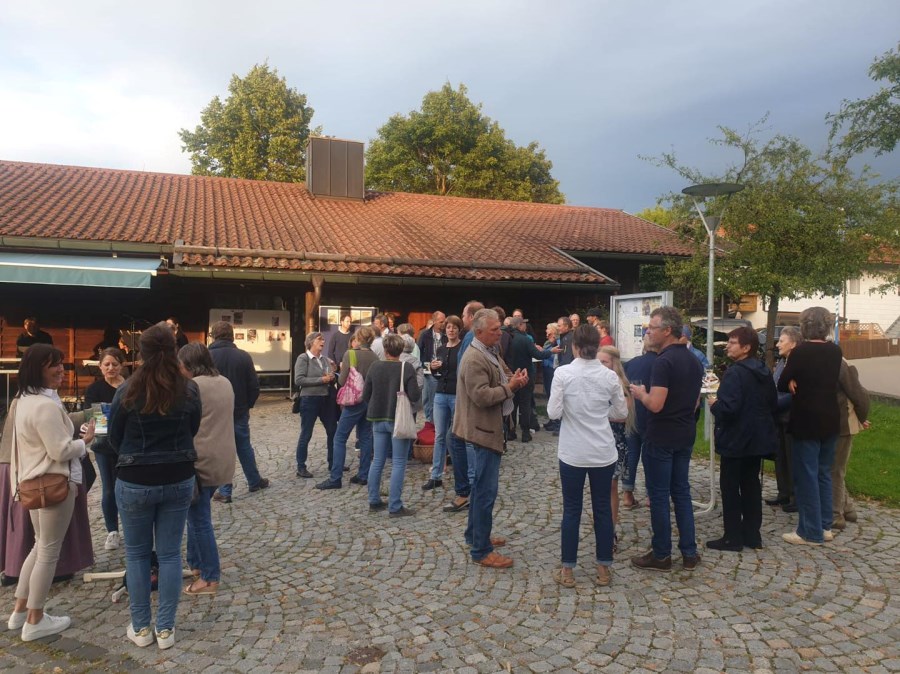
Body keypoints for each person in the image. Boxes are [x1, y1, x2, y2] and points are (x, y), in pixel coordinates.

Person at [108, 323, 200, 649]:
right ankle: (166, 629)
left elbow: (115, 437)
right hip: (177, 477)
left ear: (140, 353)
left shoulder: (127, 391)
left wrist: (134, 457)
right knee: (171, 553)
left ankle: (141, 628)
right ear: (174, 350)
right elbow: (193, 427)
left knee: (136, 555)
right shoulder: (188, 390)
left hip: (135, 479)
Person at [6, 344, 95, 641]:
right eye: (52, 365)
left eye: (60, 363)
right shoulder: (44, 405)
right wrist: (87, 443)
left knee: (39, 546)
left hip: (31, 482)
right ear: (36, 369)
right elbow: (60, 449)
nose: (60, 369)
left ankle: (20, 611)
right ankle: (36, 619)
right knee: (48, 551)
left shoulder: (23, 400)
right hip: (53, 484)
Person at [547, 325, 627, 587]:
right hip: (603, 451)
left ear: (575, 347)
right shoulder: (609, 376)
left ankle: (568, 570)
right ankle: (603, 568)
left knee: (572, 510)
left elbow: (553, 413)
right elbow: (621, 412)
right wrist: (599, 414)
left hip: (572, 452)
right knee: (603, 509)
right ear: (596, 347)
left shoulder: (563, 374)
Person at [453, 309, 529, 568]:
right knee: (485, 491)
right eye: (495, 329)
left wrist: (513, 378)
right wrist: (511, 387)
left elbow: (503, 374)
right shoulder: (474, 358)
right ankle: (480, 550)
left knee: (480, 489)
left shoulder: (490, 350)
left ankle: (475, 535)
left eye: (499, 328)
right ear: (479, 332)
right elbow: (482, 396)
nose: (500, 333)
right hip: (482, 431)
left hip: (487, 429)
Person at [629, 306, 703, 572]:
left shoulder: (664, 361)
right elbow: (695, 402)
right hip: (685, 432)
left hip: (661, 435)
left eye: (652, 327)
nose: (648, 331)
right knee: (681, 492)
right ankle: (689, 552)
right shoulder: (694, 360)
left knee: (659, 495)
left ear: (667, 331)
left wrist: (640, 394)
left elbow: (656, 404)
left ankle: (661, 554)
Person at [707, 327, 778, 552]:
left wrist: (715, 405)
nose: (728, 345)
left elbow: (729, 409)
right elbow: (772, 403)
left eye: (732, 342)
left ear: (746, 348)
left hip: (736, 440)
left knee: (730, 487)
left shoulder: (735, 373)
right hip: (756, 439)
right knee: (751, 486)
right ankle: (752, 534)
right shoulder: (764, 371)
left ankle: (732, 537)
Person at [776, 307, 843, 546]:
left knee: (806, 475)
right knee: (824, 472)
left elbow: (783, 383)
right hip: (830, 417)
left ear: (804, 326)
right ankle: (825, 525)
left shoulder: (801, 351)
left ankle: (809, 531)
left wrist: (795, 379)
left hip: (806, 418)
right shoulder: (835, 351)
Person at [177, 343, 236, 595]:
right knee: (196, 514)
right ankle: (198, 565)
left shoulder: (194, 387)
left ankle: (210, 577)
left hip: (200, 459)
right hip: (222, 456)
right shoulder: (224, 382)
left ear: (188, 365)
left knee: (199, 519)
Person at [208, 321, 269, 502]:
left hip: (215, 412)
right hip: (239, 409)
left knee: (222, 449)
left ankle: (225, 491)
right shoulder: (243, 356)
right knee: (243, 446)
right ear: (232, 335)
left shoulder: (207, 357)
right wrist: (247, 405)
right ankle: (254, 480)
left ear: (213, 336)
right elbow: (254, 386)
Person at [363, 334, 421, 516]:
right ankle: (395, 506)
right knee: (398, 462)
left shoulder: (375, 366)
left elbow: (366, 395)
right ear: (401, 349)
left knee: (378, 460)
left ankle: (374, 500)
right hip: (398, 419)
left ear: (385, 350)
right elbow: (415, 395)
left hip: (377, 418)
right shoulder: (407, 367)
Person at [317, 326, 378, 490]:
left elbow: (343, 381)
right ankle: (363, 475)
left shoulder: (350, 354)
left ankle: (335, 478)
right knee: (365, 438)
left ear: (358, 338)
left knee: (339, 437)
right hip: (369, 401)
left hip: (354, 402)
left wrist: (338, 371)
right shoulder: (375, 357)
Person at [84, 347, 127, 550]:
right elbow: (93, 418)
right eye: (107, 364)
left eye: (115, 364)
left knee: (126, 487)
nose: (111, 368)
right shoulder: (94, 390)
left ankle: (130, 525)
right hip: (104, 446)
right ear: (100, 367)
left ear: (122, 365)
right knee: (109, 489)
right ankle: (112, 530)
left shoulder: (129, 387)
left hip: (127, 445)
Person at [598, 346, 635, 542]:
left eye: (605, 362)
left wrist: (596, 412)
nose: (601, 366)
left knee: (611, 486)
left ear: (614, 364)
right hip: (598, 440)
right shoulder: (596, 381)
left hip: (615, 442)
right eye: (598, 362)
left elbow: (624, 414)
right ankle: (604, 528)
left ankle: (610, 531)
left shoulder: (622, 384)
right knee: (601, 487)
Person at [424, 316, 462, 491]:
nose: (451, 330)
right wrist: (433, 368)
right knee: (439, 435)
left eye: (454, 327)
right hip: (440, 395)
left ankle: (460, 474)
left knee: (456, 435)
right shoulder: (440, 349)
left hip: (456, 395)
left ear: (459, 330)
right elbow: (436, 375)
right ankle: (436, 475)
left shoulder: (463, 348)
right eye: (448, 327)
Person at [832, 358, 870, 530]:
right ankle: (847, 508)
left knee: (835, 470)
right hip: (833, 423)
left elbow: (859, 394)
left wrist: (861, 418)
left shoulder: (840, 363)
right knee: (833, 467)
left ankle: (836, 514)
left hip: (843, 423)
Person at [294, 332, 339, 479]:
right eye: (320, 339)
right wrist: (322, 379)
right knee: (306, 433)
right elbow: (299, 380)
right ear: (311, 342)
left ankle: (333, 463)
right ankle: (301, 466)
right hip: (309, 400)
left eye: (323, 339)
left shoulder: (325, 359)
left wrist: (332, 374)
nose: (323, 341)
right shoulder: (303, 358)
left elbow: (329, 376)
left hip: (326, 399)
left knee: (333, 431)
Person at [621, 334, 658, 509]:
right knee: (650, 456)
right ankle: (652, 496)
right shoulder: (662, 363)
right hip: (651, 415)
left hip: (632, 414)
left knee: (631, 454)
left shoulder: (632, 362)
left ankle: (627, 495)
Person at [770, 327, 802, 512]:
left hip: (791, 416)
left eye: (782, 341)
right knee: (780, 456)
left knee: (792, 457)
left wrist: (773, 405)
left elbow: (793, 394)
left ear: (794, 343)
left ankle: (796, 496)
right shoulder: (782, 362)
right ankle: (784, 493)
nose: (777, 344)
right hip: (778, 416)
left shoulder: (798, 364)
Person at [504, 317, 547, 442]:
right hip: (525, 375)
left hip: (511, 375)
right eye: (524, 324)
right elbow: (538, 355)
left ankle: (511, 432)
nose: (525, 327)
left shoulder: (508, 338)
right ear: (519, 325)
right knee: (525, 404)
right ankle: (525, 433)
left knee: (512, 404)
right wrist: (551, 351)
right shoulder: (525, 339)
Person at [417, 312, 447, 425]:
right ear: (434, 321)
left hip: (443, 369)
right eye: (441, 322)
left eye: (444, 321)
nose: (444, 324)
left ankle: (438, 420)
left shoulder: (446, 335)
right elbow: (420, 352)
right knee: (428, 396)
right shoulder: (425, 335)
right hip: (429, 369)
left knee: (438, 396)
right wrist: (428, 366)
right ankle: (430, 421)